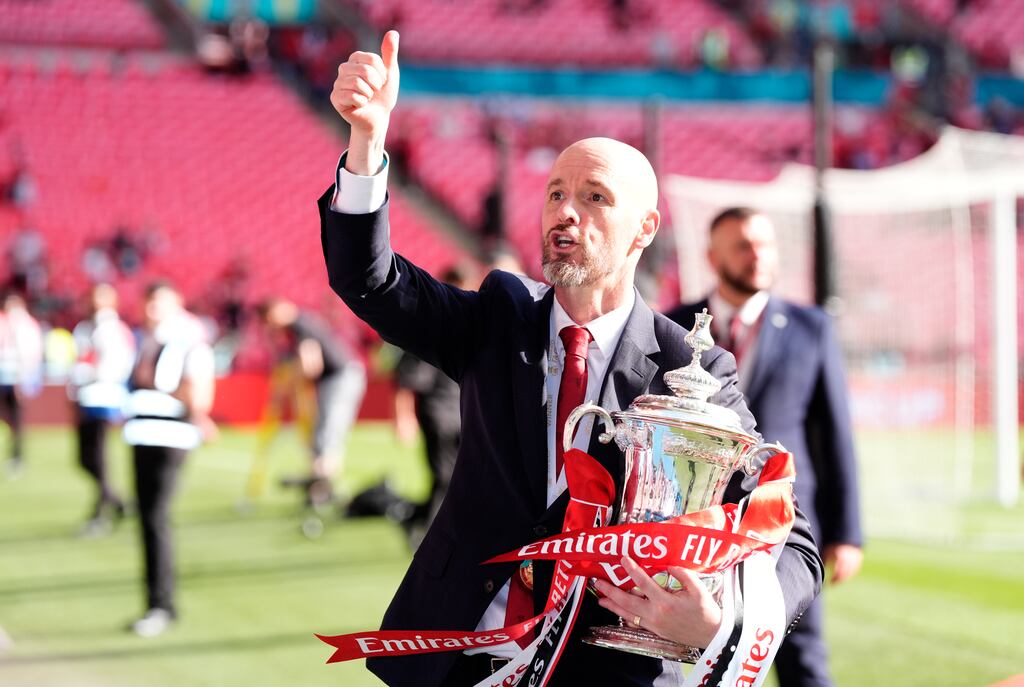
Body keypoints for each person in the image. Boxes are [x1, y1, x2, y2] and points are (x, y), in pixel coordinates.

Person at [320, 31, 822, 686]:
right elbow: (371, 277)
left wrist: (722, 621)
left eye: (595, 197)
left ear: (645, 228)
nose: (566, 211)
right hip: (457, 653)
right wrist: (367, 141)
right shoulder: (495, 317)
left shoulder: (687, 368)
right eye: (556, 192)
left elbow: (792, 532)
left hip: (604, 669)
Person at [665, 207, 862, 687]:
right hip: (697, 523)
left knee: (803, 657)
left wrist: (847, 532)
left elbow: (833, 434)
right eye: (743, 246)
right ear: (713, 257)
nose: (758, 256)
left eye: (765, 244)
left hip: (787, 525)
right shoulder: (671, 325)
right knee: (690, 656)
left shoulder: (810, 327)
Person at [123, 282, 216, 637]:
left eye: (158, 302)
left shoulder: (185, 340)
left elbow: (197, 393)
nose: (151, 309)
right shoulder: (148, 339)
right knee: (147, 518)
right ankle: (158, 602)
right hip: (143, 433)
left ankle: (161, 604)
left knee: (155, 518)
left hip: (169, 437)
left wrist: (188, 408)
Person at [257, 298, 366, 509]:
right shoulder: (303, 322)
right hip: (341, 377)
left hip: (339, 378)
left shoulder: (300, 324)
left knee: (326, 433)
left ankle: (321, 488)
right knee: (326, 431)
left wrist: (289, 380)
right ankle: (322, 485)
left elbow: (310, 365)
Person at [392, 265, 474, 544]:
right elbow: (407, 378)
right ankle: (428, 535)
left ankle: (416, 519)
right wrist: (403, 418)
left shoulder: (466, 322)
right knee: (444, 477)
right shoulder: (429, 326)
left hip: (461, 414)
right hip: (437, 413)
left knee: (456, 478)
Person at [69, 284, 136, 535]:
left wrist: (88, 374)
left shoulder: (112, 329)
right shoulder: (86, 327)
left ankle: (102, 512)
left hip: (103, 396)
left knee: (97, 456)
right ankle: (118, 501)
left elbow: (115, 365)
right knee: (85, 459)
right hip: (86, 396)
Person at [0, 292, 43, 476]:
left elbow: (30, 354)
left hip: (17, 377)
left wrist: (22, 379)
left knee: (17, 421)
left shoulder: (26, 326)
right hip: (4, 377)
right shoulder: (3, 322)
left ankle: (17, 457)